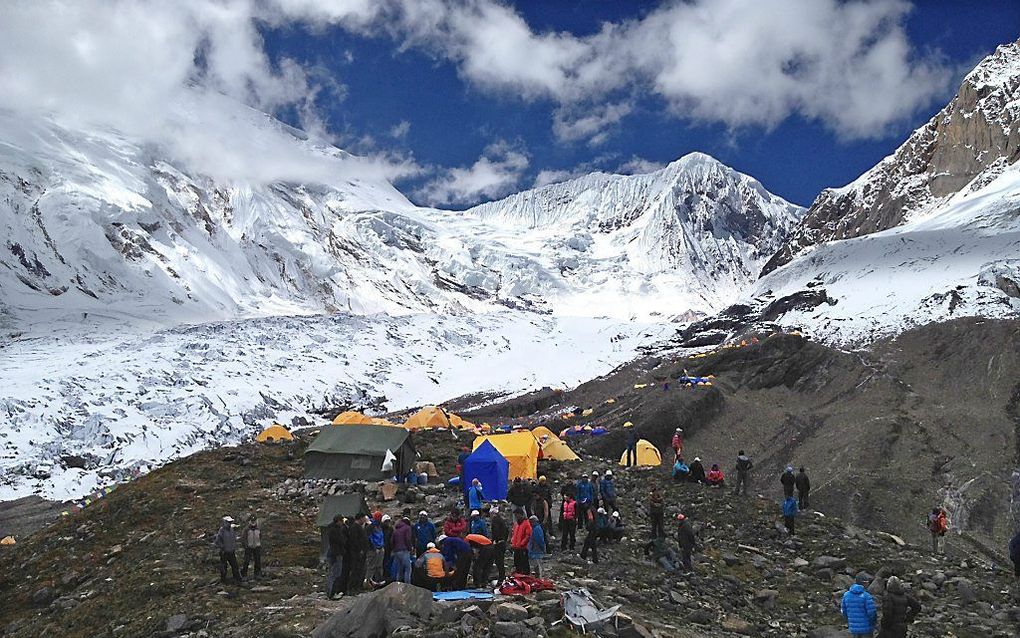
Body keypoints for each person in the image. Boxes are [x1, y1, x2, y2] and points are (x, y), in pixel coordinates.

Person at [214, 516, 241, 584]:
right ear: (225, 522)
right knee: (224, 566)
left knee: (235, 565)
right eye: (228, 522)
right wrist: (222, 547)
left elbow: (234, 538)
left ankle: (237, 578)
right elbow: (217, 541)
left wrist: (234, 545)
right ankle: (223, 579)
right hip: (224, 552)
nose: (230, 524)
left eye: (230, 522)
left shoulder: (232, 530)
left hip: (231, 551)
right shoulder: (222, 530)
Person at [325, 514, 347, 598]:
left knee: (335, 573)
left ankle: (332, 592)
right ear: (338, 521)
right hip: (335, 554)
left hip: (336, 553)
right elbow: (340, 541)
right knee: (335, 574)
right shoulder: (334, 531)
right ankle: (331, 593)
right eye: (341, 521)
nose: (342, 523)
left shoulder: (334, 529)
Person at [391, 515, 413, 584]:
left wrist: (394, 549)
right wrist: (410, 548)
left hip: (397, 551)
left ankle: (398, 585)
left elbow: (391, 541)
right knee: (408, 569)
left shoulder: (396, 529)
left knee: (399, 569)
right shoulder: (407, 528)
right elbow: (408, 539)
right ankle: (408, 586)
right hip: (404, 550)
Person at [490, 506, 510, 583]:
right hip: (503, 542)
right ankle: (502, 577)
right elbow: (507, 531)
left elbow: (496, 530)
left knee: (499, 562)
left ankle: (501, 578)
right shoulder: (502, 520)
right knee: (501, 561)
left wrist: (495, 540)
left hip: (498, 543)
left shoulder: (495, 520)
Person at [510, 509, 532, 575]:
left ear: (521, 515)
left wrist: (522, 543)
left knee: (524, 563)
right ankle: (518, 575)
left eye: (517, 515)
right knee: (517, 563)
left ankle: (526, 576)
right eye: (515, 515)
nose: (516, 516)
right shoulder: (516, 524)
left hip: (523, 548)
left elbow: (528, 535)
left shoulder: (526, 523)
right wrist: (512, 542)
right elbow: (514, 534)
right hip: (516, 547)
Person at [367, 513, 385, 587]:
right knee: (372, 566)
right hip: (375, 549)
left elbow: (381, 535)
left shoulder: (379, 526)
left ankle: (379, 580)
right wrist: (374, 547)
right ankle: (368, 581)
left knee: (379, 565)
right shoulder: (371, 526)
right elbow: (370, 538)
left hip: (381, 547)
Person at [381, 514, 394, 584]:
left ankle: (387, 576)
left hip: (388, 548)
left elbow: (392, 539)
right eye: (386, 521)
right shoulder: (380, 528)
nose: (387, 523)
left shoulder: (391, 529)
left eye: (388, 521)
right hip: (382, 547)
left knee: (387, 562)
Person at [1010, 528, 1020, 596]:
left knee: (1017, 570)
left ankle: (1016, 586)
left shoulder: (1016, 538)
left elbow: (1011, 544)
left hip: (1014, 555)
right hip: (1017, 556)